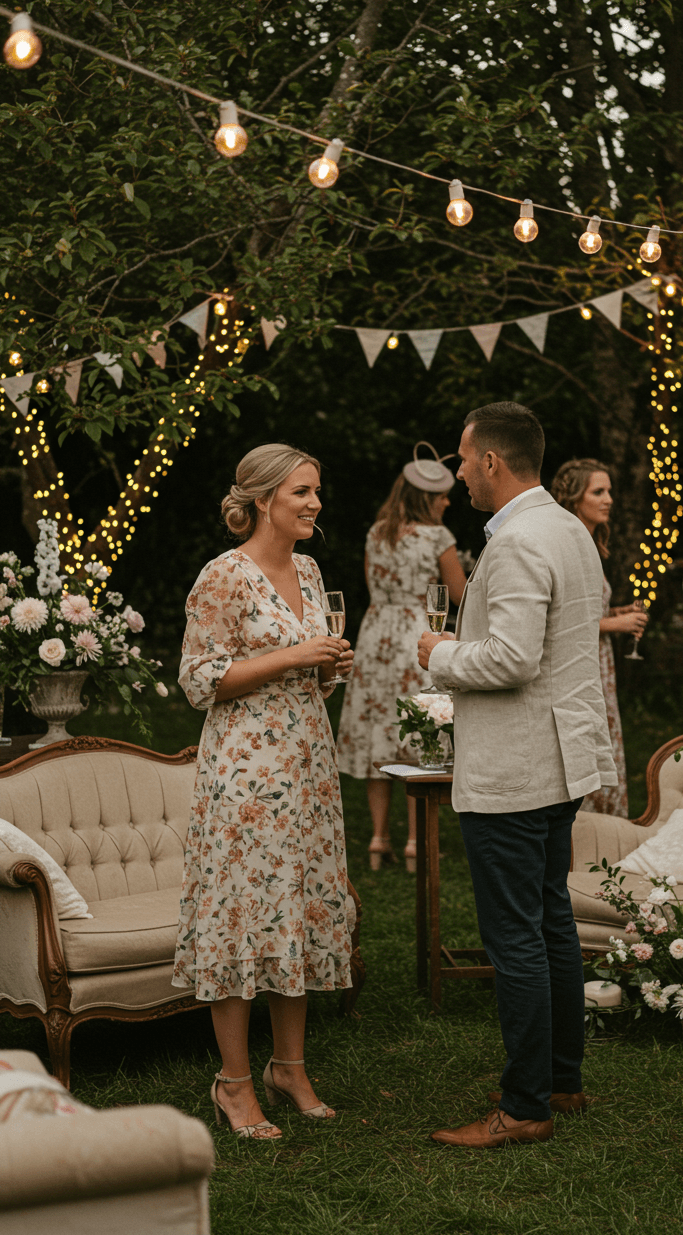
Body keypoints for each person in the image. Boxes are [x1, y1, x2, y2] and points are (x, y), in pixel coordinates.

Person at [417, 402, 616, 1149]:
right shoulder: (567, 530)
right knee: (550, 919)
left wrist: (436, 653)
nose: (459, 472)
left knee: (517, 938)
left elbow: (511, 658)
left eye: (464, 460)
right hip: (559, 760)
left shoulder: (522, 541)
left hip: (518, 767)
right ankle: (560, 1078)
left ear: (493, 462)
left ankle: (526, 1105)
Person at [173, 444, 354, 1140]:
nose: (313, 503)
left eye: (316, 491)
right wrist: (295, 656)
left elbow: (309, 670)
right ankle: (234, 1082)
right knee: (245, 914)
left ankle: (290, 1066)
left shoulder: (307, 569)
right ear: (263, 499)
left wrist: (329, 664)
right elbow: (198, 680)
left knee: (296, 909)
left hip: (307, 765)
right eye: (302, 492)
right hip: (247, 773)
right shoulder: (223, 576)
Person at [336, 445, 466, 872]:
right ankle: (415, 842)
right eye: (442, 495)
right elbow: (460, 593)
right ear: (426, 498)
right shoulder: (438, 538)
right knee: (418, 731)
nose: (448, 501)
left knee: (380, 731)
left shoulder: (377, 532)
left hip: (376, 635)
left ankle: (378, 839)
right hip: (417, 636)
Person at [551, 458, 648, 817]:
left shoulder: (590, 542)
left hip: (598, 658)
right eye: (598, 491)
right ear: (575, 498)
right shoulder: (567, 543)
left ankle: (605, 834)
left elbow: (585, 611)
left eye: (609, 491)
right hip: (578, 660)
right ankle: (586, 829)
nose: (608, 499)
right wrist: (615, 627)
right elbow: (560, 620)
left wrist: (617, 613)